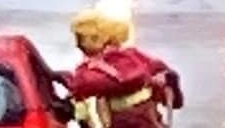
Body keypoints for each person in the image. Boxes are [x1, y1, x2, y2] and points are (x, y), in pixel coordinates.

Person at [56, 9, 184, 128]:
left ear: (98, 38)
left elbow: (83, 86)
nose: (77, 44)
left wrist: (70, 85)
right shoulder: (137, 57)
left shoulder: (87, 73)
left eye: (81, 38)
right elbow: (173, 93)